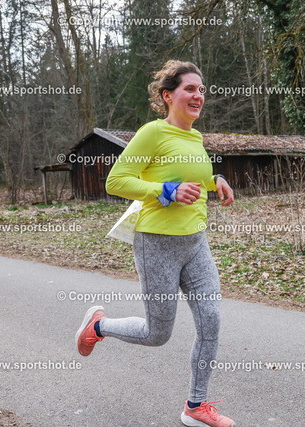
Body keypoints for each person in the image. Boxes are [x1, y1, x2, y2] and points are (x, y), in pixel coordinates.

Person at [75, 60, 236, 427]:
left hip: (195, 243)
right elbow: (116, 181)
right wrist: (165, 190)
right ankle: (98, 326)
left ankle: (196, 405)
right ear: (167, 96)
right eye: (189, 89)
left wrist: (215, 180)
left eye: (201, 90)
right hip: (157, 244)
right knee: (156, 334)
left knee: (211, 321)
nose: (198, 96)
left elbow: (190, 176)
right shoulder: (152, 133)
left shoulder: (195, 137)